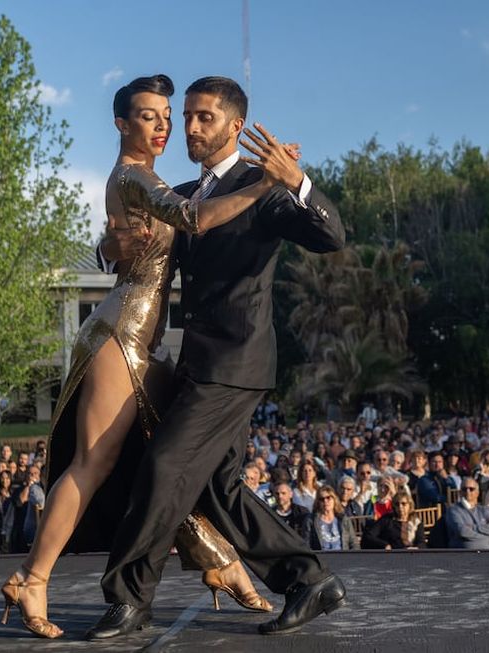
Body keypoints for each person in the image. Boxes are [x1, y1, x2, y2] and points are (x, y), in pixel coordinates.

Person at [2, 74, 281, 640]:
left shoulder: (151, 180)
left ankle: (219, 561)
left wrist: (109, 246)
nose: (162, 125)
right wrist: (263, 187)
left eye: (166, 116)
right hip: (118, 336)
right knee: (94, 462)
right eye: (148, 115)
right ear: (122, 124)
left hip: (137, 340)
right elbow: (196, 219)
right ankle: (32, 577)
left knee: (171, 459)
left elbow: (135, 233)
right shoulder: (133, 176)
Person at [90, 76, 346, 640]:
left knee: (164, 467)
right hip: (197, 364)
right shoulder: (183, 194)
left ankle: (129, 599)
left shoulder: (264, 186)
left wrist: (298, 182)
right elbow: (124, 249)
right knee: (219, 489)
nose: (188, 127)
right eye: (185, 116)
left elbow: (332, 236)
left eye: (204, 117)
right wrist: (109, 248)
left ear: (234, 126)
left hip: (236, 363)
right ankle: (308, 579)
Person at [362, 489, 426, 549]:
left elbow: (422, 543)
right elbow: (369, 535)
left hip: (411, 555)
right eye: (397, 504)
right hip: (391, 555)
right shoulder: (387, 520)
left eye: (403, 504)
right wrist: (384, 545)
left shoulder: (416, 522)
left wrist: (415, 548)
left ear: (410, 505)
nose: (400, 507)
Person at [445, 478, 489, 549]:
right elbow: (462, 531)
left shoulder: (483, 510)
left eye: (471, 489)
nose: (468, 492)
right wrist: (485, 536)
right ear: (460, 492)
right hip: (463, 554)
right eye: (464, 489)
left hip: (485, 553)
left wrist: (474, 527)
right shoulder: (453, 510)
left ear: (477, 493)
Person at [304, 486, 358, 551]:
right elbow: (306, 545)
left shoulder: (344, 519)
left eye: (328, 498)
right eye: (322, 499)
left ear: (334, 499)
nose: (325, 501)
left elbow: (354, 543)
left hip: (342, 557)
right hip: (321, 558)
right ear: (318, 502)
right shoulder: (311, 520)